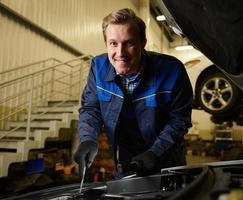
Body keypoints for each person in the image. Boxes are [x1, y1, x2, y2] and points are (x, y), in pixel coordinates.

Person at [74, 8, 193, 178]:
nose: (120, 53)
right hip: (127, 159)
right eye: (113, 43)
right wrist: (88, 139)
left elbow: (179, 119)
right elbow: (91, 108)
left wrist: (155, 152)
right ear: (106, 43)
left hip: (166, 158)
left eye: (129, 43)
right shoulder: (98, 68)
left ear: (143, 43)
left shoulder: (172, 70)